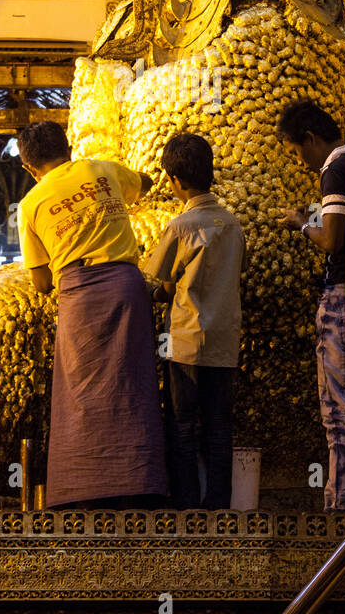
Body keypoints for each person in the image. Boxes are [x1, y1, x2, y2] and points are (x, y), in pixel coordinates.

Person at [16, 121, 168, 509]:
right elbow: (144, 183)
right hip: (125, 289)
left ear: (29, 166)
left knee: (79, 393)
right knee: (132, 384)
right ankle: (139, 486)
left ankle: (81, 492)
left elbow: (41, 283)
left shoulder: (31, 203)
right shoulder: (100, 169)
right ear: (67, 147)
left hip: (78, 297)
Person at [141, 133, 246, 509]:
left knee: (183, 426)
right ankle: (219, 505)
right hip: (223, 342)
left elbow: (164, 284)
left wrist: (153, 295)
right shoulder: (232, 225)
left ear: (175, 181)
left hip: (184, 342)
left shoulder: (180, 227)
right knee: (219, 427)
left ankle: (186, 504)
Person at [277, 100, 345, 513]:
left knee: (340, 411)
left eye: (296, 151)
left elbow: (332, 240)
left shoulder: (334, 168)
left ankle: (343, 509)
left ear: (310, 138)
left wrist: (302, 225)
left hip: (343, 297)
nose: (301, 162)